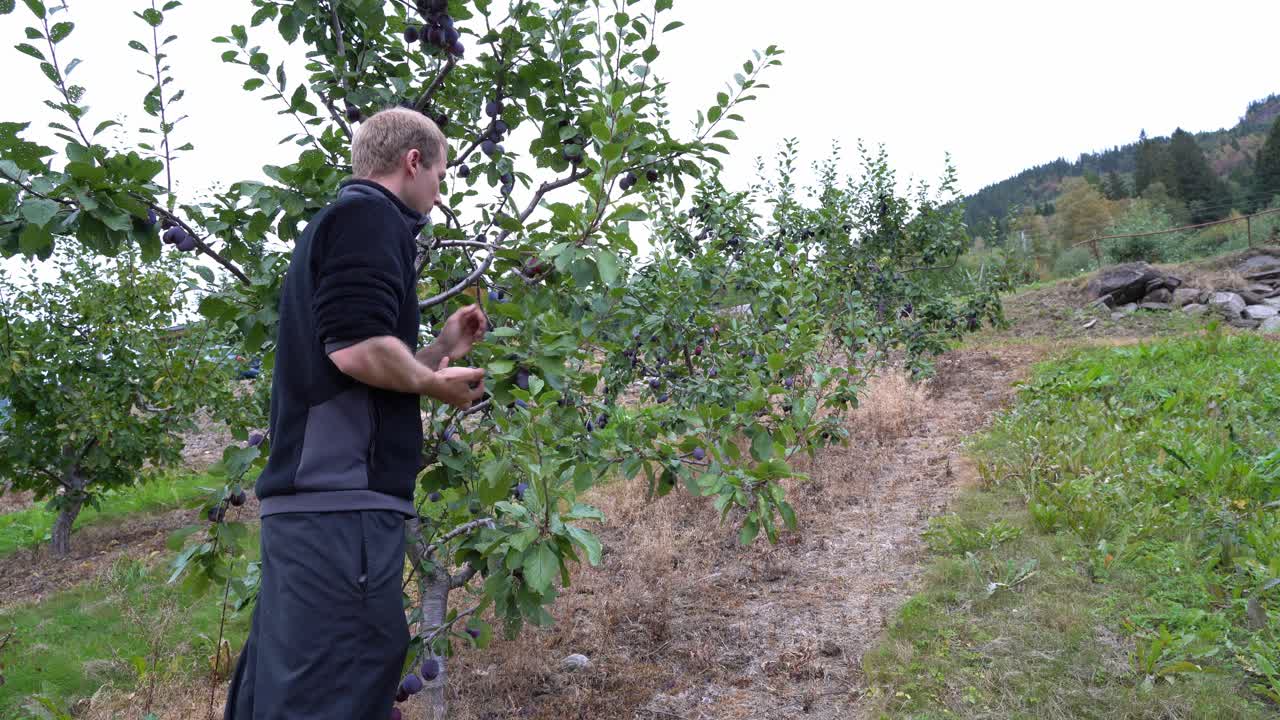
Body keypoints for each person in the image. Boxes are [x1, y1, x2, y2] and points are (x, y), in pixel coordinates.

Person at [224, 107, 487, 720]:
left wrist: (440, 348)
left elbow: (360, 365)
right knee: (335, 689)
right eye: (440, 176)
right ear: (413, 161)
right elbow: (356, 349)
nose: (438, 193)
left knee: (289, 687)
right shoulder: (370, 217)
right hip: (338, 503)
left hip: (319, 502)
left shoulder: (342, 223)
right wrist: (435, 383)